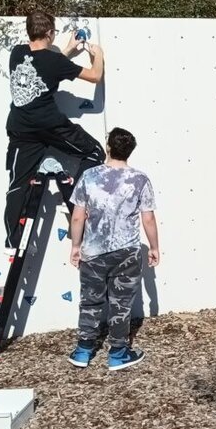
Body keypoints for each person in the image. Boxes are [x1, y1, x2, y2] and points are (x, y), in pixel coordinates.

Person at [4, 10, 105, 250]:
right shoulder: (55, 62)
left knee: (17, 184)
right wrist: (98, 55)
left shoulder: (17, 54)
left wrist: (68, 50)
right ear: (50, 33)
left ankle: (12, 240)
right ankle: (73, 199)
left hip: (20, 128)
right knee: (95, 153)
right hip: (51, 126)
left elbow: (44, 65)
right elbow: (95, 76)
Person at [67, 127, 159, 371]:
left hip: (93, 251)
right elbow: (147, 218)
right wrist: (154, 247)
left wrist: (76, 246)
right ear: (130, 151)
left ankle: (83, 350)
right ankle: (118, 353)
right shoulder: (140, 179)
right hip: (127, 251)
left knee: (90, 301)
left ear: (108, 146)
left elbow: (78, 217)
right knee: (121, 303)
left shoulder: (88, 176)